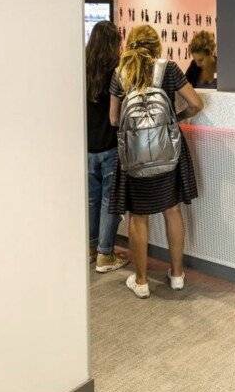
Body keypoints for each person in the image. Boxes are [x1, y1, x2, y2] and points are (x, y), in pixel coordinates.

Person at [109, 25, 204, 298]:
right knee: (172, 210)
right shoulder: (169, 69)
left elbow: (114, 119)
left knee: (137, 216)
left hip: (133, 155)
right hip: (168, 152)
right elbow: (196, 103)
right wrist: (175, 119)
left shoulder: (120, 73)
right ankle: (176, 275)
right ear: (156, 45)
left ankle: (140, 281)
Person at [86, 21, 127, 273]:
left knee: (91, 200)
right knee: (109, 201)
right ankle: (105, 254)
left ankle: (91, 249)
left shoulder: (83, 69)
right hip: (110, 144)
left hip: (86, 147)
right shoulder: (116, 71)